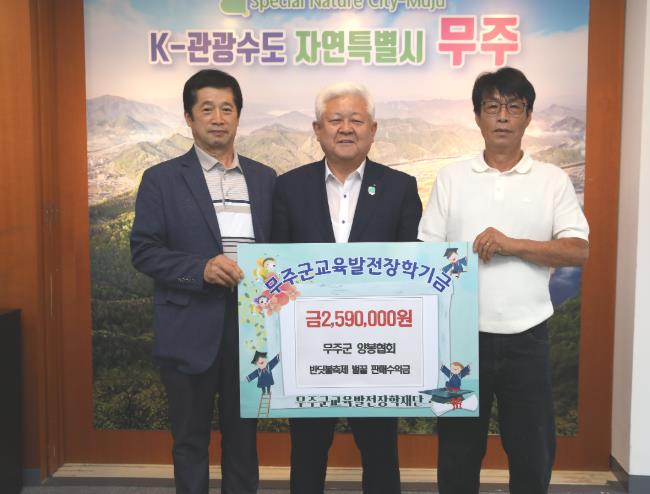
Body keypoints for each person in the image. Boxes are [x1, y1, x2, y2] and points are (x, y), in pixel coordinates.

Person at [418, 67, 590, 494]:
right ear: (477, 116)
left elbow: (577, 250)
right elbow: (426, 254)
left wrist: (511, 245)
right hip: (460, 341)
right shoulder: (452, 178)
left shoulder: (552, 180)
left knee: (531, 451)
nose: (502, 116)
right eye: (492, 106)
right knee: (457, 452)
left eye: (514, 107)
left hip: (527, 337)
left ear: (528, 117)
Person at [271, 82, 422, 494]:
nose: (346, 128)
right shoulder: (288, 187)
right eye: (335, 119)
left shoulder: (400, 187)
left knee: (380, 453)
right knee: (307, 453)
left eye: (356, 119)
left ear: (373, 130)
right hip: (309, 350)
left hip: (378, 350)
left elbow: (413, 270)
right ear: (317, 129)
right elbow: (276, 268)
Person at [130, 69, 276, 494]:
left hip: (251, 330)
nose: (217, 118)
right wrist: (200, 269)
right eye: (207, 109)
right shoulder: (161, 179)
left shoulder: (264, 178)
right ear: (189, 118)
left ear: (238, 116)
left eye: (227, 109)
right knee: (190, 440)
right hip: (188, 326)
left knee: (244, 440)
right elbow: (144, 250)